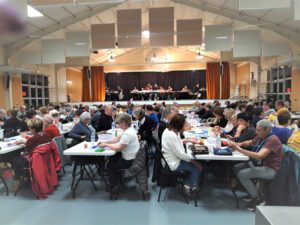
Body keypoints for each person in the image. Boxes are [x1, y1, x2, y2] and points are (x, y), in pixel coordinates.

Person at [228, 119, 283, 211]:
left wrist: (238, 149)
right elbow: (250, 142)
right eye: (256, 129)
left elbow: (259, 156)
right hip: (260, 165)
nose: (256, 132)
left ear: (266, 130)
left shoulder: (272, 139)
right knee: (237, 168)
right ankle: (252, 191)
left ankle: (257, 199)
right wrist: (238, 144)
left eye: (258, 130)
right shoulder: (261, 136)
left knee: (242, 174)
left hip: (270, 169)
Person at [161, 114, 202, 195]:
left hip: (174, 158)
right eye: (184, 125)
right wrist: (194, 162)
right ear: (179, 125)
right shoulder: (171, 135)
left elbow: (177, 143)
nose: (185, 126)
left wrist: (188, 140)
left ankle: (188, 184)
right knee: (197, 167)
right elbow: (180, 154)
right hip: (173, 163)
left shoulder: (171, 130)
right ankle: (190, 188)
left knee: (195, 163)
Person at [98, 113, 139, 192]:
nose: (117, 124)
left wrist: (106, 144)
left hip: (129, 161)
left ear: (124, 122)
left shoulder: (127, 134)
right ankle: (118, 181)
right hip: (132, 157)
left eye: (118, 123)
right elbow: (117, 139)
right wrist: (105, 142)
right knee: (113, 159)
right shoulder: (128, 130)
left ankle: (113, 186)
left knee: (110, 165)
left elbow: (119, 148)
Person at [12, 118, 52, 185]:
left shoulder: (34, 138)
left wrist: (22, 152)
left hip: (34, 160)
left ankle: (18, 179)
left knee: (14, 160)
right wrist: (26, 143)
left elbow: (27, 152)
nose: (29, 129)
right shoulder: (46, 135)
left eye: (29, 128)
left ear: (33, 129)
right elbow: (38, 145)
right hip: (45, 157)